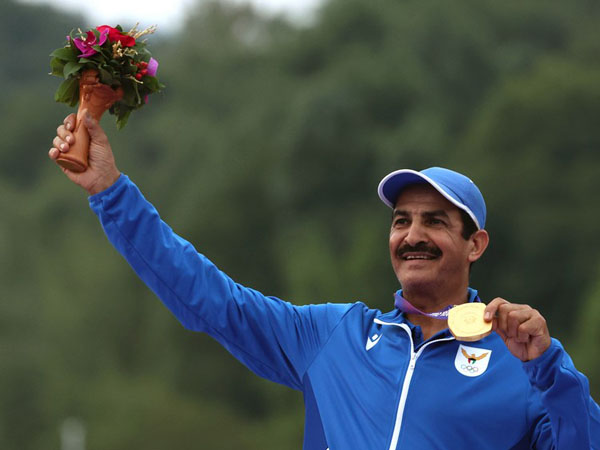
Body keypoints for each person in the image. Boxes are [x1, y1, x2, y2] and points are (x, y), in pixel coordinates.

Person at [49, 111, 600, 449]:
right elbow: (208, 297)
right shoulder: (334, 336)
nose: (412, 235)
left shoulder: (526, 362)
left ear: (475, 244)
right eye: (401, 221)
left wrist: (552, 370)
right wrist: (110, 192)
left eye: (435, 221)